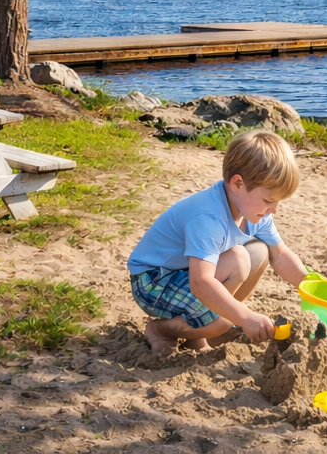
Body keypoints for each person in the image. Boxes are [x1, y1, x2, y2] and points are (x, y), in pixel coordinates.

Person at [127, 129, 309, 355]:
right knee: (234, 282)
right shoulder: (208, 218)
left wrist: (309, 284)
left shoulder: (255, 213)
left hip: (184, 272)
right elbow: (201, 282)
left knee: (260, 252)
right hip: (153, 280)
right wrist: (245, 317)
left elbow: (280, 255)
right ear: (237, 183)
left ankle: (205, 324)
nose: (274, 209)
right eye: (268, 200)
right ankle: (163, 330)